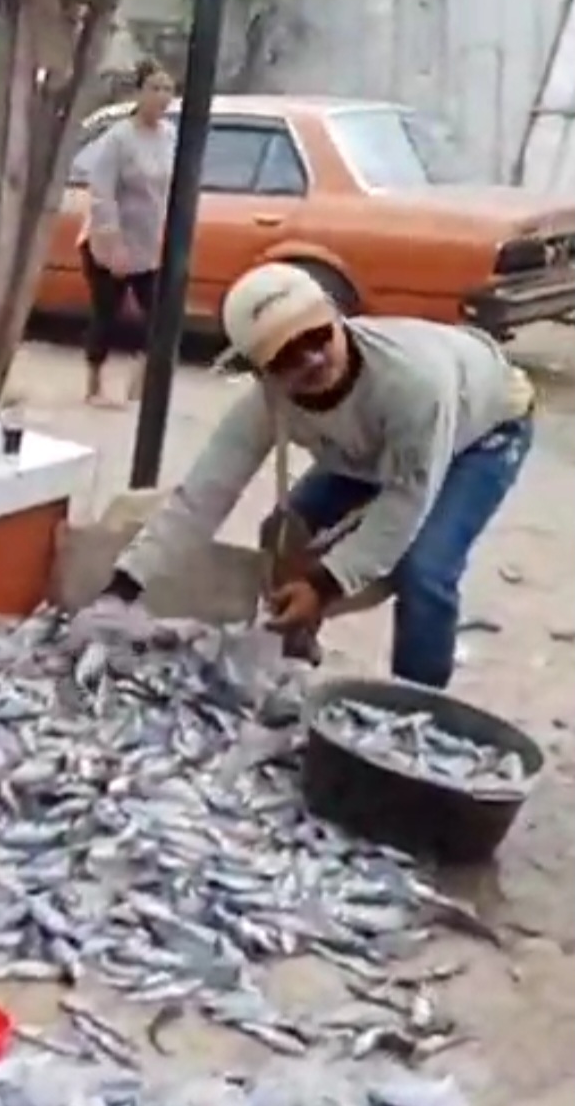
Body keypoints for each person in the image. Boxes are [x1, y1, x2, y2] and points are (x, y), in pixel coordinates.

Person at [70, 262, 534, 690]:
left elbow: (403, 502)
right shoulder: (265, 404)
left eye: (316, 336)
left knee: (425, 572)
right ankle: (292, 644)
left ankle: (416, 711)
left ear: (337, 319)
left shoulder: (414, 384)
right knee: (286, 533)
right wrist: (123, 588)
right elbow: (203, 495)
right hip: (367, 448)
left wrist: (327, 584)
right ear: (261, 371)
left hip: (481, 433)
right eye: (286, 355)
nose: (311, 359)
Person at [78, 59, 176, 408]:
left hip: (149, 243)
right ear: (139, 93)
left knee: (160, 318)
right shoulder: (119, 138)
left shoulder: (169, 136)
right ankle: (94, 384)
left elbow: (169, 189)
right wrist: (113, 243)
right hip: (109, 243)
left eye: (168, 89)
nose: (162, 97)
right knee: (107, 313)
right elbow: (101, 191)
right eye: (155, 89)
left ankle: (140, 383)